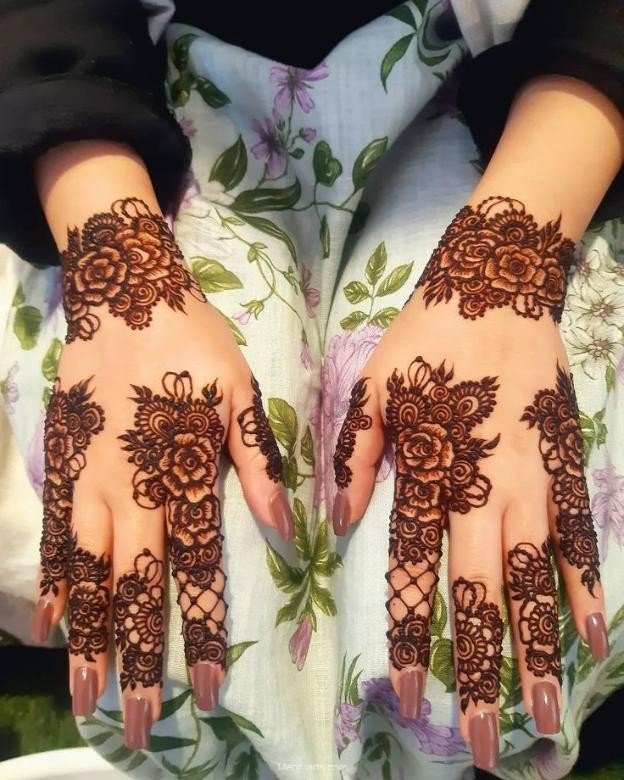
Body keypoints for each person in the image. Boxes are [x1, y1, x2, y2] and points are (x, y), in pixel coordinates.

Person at [0, 0, 623, 777]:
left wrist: (504, 269)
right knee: (171, 619)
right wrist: (121, 273)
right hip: (136, 105)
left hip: (517, 102)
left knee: (469, 636)